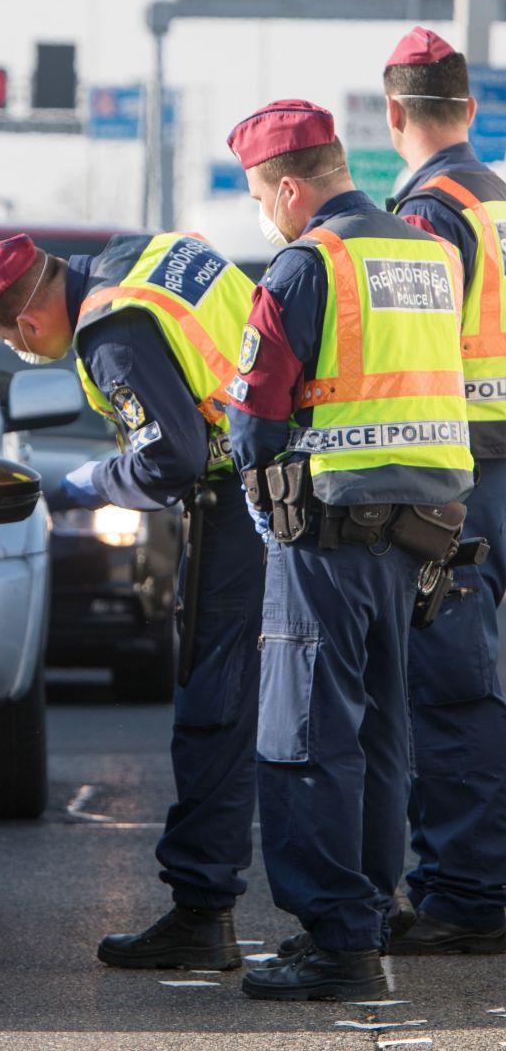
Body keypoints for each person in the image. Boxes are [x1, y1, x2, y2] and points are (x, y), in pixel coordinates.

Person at [0, 230, 266, 971]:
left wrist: (74, 486)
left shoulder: (111, 330)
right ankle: (351, 914)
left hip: (242, 511)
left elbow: (168, 461)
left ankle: (202, 912)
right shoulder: (150, 252)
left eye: (8, 340)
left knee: (213, 713)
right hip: (298, 486)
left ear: (23, 325)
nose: (23, 352)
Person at [225, 99, 474, 1001]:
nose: (266, 213)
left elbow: (253, 424)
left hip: (326, 536)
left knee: (307, 740)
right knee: (378, 735)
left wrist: (260, 496)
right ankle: (366, 915)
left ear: (290, 188)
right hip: (418, 537)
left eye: (261, 196)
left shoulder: (305, 265)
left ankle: (337, 944)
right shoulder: (427, 252)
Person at [381, 26, 506, 955]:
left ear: (393, 114)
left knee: (455, 694)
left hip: (462, 481)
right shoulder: (499, 199)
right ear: (470, 107)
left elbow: (407, 357)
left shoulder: (428, 212)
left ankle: (465, 896)